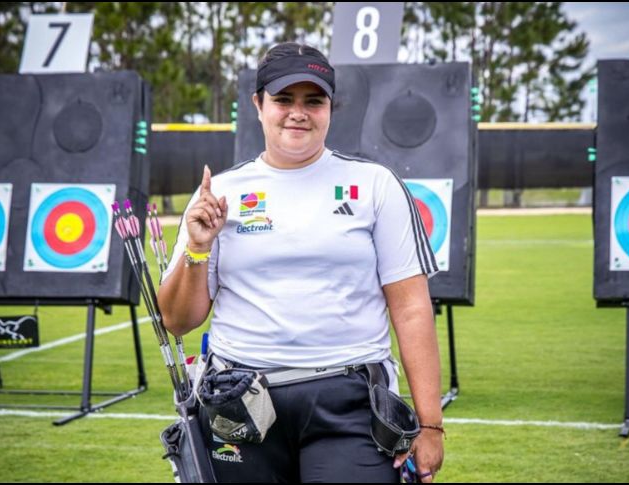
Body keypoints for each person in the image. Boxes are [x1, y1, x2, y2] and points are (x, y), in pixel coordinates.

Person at [157, 42, 444, 483]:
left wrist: (429, 425)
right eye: (283, 99)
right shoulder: (219, 194)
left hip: (348, 400)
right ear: (258, 104)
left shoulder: (373, 185)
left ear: (330, 108)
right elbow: (177, 321)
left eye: (313, 101)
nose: (298, 112)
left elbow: (411, 308)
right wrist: (198, 247)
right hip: (239, 400)